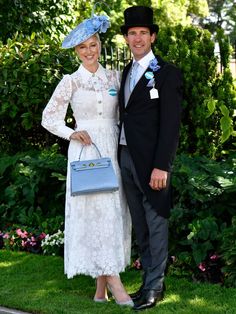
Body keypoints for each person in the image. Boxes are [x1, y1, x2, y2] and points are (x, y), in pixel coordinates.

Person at [41, 13, 133, 307]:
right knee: (94, 213)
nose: (88, 51)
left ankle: (99, 290)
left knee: (112, 213)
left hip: (112, 150)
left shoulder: (114, 78)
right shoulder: (71, 82)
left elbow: (125, 115)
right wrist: (71, 132)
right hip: (85, 151)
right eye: (82, 47)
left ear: (99, 46)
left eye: (92, 45)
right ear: (77, 52)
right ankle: (115, 283)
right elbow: (48, 118)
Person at [118, 6, 183, 311]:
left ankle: (156, 286)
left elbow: (171, 126)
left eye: (143, 32)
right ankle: (147, 282)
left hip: (153, 164)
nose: (138, 38)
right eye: (132, 33)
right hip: (126, 159)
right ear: (127, 38)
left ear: (153, 36)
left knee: (156, 223)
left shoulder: (166, 74)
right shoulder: (126, 72)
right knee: (141, 226)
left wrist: (162, 166)